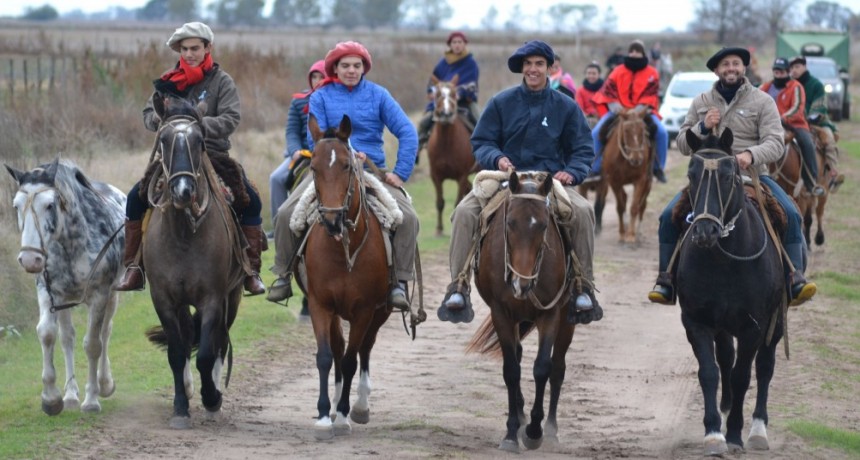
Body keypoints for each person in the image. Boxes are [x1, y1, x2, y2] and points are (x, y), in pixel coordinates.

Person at [437, 40, 601, 325]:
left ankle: (582, 286)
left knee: (584, 212)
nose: (533, 69)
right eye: (528, 64)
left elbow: (584, 149)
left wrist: (571, 172)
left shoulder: (566, 106)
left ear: (550, 68)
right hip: (505, 180)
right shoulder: (502, 102)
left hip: (550, 182)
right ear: (522, 68)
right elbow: (482, 141)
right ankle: (458, 286)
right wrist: (498, 158)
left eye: (539, 64)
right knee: (464, 212)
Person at [648, 47, 817, 307]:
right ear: (716, 70)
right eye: (725, 64)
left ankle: (795, 278)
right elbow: (682, 144)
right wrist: (702, 126)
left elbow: (776, 143)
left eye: (736, 64)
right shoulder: (701, 102)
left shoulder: (762, 101)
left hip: (753, 177)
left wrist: (750, 154)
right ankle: (666, 280)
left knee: (791, 214)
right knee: (668, 216)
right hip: (707, 180)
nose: (731, 68)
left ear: (744, 68)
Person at [115, 21, 266, 296]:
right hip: (172, 158)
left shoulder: (222, 81)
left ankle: (250, 270)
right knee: (135, 198)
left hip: (213, 154)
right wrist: (162, 122)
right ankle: (134, 268)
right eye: (184, 49)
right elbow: (149, 113)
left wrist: (198, 126)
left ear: (208, 48)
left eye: (195, 48)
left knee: (250, 198)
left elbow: (231, 118)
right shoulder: (167, 82)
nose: (189, 54)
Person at [266, 41, 419, 311]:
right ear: (334, 68)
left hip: (370, 170)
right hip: (330, 170)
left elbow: (407, 132)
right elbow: (317, 139)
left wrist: (400, 172)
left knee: (407, 218)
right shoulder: (321, 97)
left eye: (357, 65)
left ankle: (399, 283)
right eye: (345, 65)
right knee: (287, 214)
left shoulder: (379, 95)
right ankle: (283, 275)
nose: (351, 70)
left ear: (364, 68)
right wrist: (343, 155)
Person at [591, 39, 669, 183]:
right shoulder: (617, 71)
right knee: (596, 132)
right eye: (632, 51)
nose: (634, 54)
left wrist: (636, 111)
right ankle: (594, 168)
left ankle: (658, 168)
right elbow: (608, 91)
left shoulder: (652, 73)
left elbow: (651, 95)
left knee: (662, 133)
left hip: (643, 112)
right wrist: (617, 108)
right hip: (619, 111)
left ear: (643, 53)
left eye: (637, 51)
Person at [269, 59, 326, 234]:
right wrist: (294, 151)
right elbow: (291, 131)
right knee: (276, 178)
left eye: (321, 77)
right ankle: (279, 225)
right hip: (302, 153)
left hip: (326, 153)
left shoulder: (334, 100)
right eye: (314, 77)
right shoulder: (299, 101)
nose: (318, 81)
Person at [760, 57, 824, 196]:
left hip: (794, 124)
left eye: (782, 72)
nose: (779, 74)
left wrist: (781, 118)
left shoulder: (796, 87)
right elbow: (756, 102)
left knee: (807, 143)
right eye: (777, 71)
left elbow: (797, 108)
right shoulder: (766, 87)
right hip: (769, 124)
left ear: (788, 72)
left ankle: (811, 183)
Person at [416, 31, 480, 154]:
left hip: (464, 102)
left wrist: (457, 93)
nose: (457, 45)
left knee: (480, 121)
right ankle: (416, 150)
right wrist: (432, 92)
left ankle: (483, 151)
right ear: (450, 45)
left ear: (464, 44)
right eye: (454, 42)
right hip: (442, 101)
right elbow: (433, 81)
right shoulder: (443, 63)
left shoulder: (471, 63)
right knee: (424, 122)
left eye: (460, 42)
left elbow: (472, 84)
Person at [789, 55, 843, 190]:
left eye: (797, 67)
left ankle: (832, 175)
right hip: (791, 123)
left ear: (804, 67)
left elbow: (820, 107)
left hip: (817, 123)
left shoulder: (816, 85)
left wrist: (807, 119)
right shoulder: (788, 84)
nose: (794, 70)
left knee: (829, 140)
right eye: (792, 68)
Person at [575, 62, 604, 127]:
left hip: (603, 119)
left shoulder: (604, 89)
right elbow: (579, 109)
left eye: (594, 74)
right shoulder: (580, 90)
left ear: (599, 75)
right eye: (589, 73)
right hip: (587, 120)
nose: (591, 76)